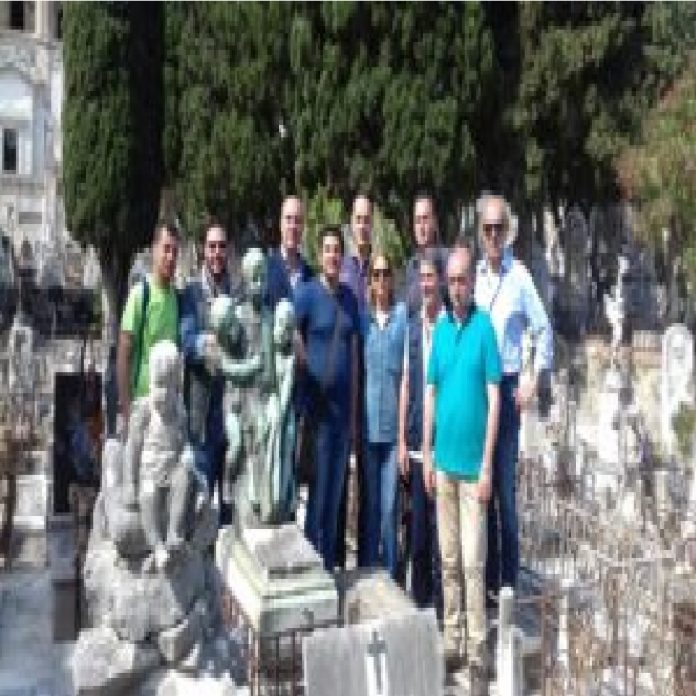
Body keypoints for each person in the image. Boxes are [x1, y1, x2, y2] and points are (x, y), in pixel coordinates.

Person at [423, 246, 501, 682]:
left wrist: (487, 464)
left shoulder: (484, 329)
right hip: (444, 466)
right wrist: (426, 452)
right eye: (451, 280)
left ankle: (477, 650)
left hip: (473, 471)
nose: (456, 287)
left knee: (473, 563)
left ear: (472, 281)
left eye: (462, 280)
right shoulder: (439, 331)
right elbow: (430, 393)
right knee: (449, 560)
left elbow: (494, 400)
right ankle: (452, 641)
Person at [474, 194, 553, 601]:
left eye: (498, 228)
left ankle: (507, 583)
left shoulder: (519, 276)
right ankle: (486, 579)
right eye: (486, 229)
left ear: (507, 232)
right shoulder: (474, 276)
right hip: (476, 387)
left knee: (504, 489)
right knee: (481, 488)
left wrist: (531, 381)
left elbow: (543, 330)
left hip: (505, 388)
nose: (492, 235)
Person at [294, 225, 360, 571]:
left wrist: (353, 417)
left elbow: (355, 355)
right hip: (317, 414)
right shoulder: (306, 294)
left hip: (341, 417)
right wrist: (304, 362)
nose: (333, 256)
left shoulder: (350, 299)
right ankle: (309, 566)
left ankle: (329, 567)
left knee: (335, 498)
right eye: (328, 249)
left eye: (337, 250)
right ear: (320, 255)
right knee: (317, 498)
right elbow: (290, 332)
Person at [397, 249, 444, 611]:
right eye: (422, 279)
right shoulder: (412, 327)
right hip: (414, 443)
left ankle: (442, 609)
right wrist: (401, 440)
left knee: (441, 534)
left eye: (431, 278)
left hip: (443, 446)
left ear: (439, 282)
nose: (426, 285)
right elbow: (406, 384)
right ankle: (421, 604)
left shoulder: (450, 326)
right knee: (418, 537)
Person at [179, 220, 233, 520]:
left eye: (221, 247)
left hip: (231, 413)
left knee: (229, 508)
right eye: (212, 246)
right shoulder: (191, 293)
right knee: (199, 503)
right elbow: (186, 342)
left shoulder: (236, 293)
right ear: (203, 249)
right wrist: (208, 345)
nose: (216, 253)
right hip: (200, 415)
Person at [359, 252, 406, 579]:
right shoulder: (362, 320)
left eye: (385, 273)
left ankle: (390, 573)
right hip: (367, 430)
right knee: (370, 508)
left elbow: (406, 376)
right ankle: (367, 573)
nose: (380, 280)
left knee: (390, 509)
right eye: (375, 274)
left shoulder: (402, 318)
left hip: (392, 433)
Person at [117, 220, 180, 429]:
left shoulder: (176, 298)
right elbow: (123, 355)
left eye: (175, 251)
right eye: (166, 249)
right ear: (154, 250)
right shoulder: (139, 295)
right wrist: (128, 412)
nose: (171, 257)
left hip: (168, 412)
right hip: (141, 408)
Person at [265, 195, 314, 308]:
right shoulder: (265, 270)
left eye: (298, 221)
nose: (293, 226)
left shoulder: (311, 277)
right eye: (288, 219)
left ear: (303, 227)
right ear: (280, 224)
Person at [402, 193, 448, 312]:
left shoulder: (449, 261)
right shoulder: (411, 266)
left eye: (425, 219)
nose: (421, 227)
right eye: (417, 221)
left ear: (434, 222)